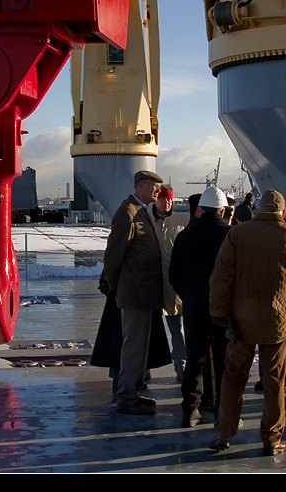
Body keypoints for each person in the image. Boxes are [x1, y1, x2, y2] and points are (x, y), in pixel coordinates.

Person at [206, 190, 286, 455]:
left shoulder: (237, 234)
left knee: (234, 376)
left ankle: (223, 432)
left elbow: (221, 277)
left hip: (241, 319)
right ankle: (272, 439)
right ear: (283, 212)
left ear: (259, 208)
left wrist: (219, 311)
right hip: (277, 320)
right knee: (274, 381)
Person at [103, 170, 168, 415]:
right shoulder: (128, 212)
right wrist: (116, 285)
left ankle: (134, 391)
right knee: (133, 348)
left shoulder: (141, 211)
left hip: (145, 292)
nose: (157, 192)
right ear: (140, 186)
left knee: (140, 348)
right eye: (154, 187)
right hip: (134, 293)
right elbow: (114, 254)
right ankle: (127, 398)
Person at [169, 187, 231, 427]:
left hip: (195, 307)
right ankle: (224, 411)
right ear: (223, 209)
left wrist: (188, 295)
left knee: (195, 358)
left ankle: (190, 410)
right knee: (224, 360)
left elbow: (174, 274)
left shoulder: (185, 236)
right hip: (223, 308)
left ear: (201, 209)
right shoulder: (230, 235)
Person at [151, 184, 188, 381]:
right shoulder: (146, 220)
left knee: (178, 330)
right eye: (163, 199)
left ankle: (181, 367)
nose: (166, 203)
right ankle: (144, 366)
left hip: (175, 286)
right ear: (155, 200)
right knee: (148, 331)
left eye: (169, 199)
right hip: (153, 284)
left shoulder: (181, 222)